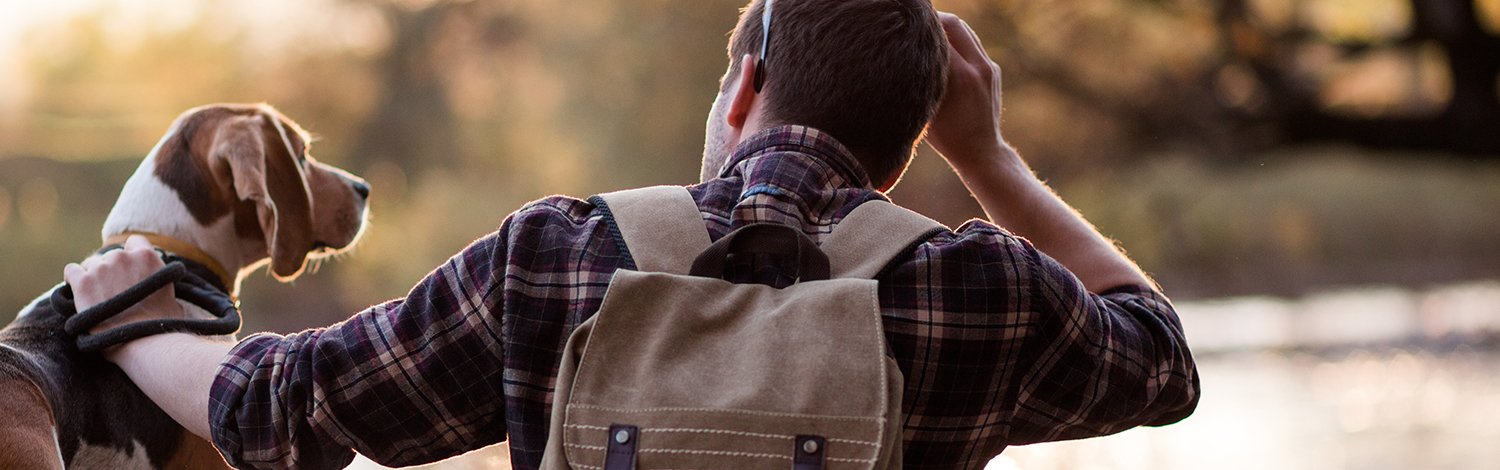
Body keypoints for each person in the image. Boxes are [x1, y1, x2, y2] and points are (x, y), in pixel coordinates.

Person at [65, 1, 1200, 468]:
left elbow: (282, 407)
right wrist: (990, 156)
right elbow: (1162, 360)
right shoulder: (981, 291)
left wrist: (127, 317)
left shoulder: (556, 257)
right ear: (912, 143)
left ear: (745, 86)